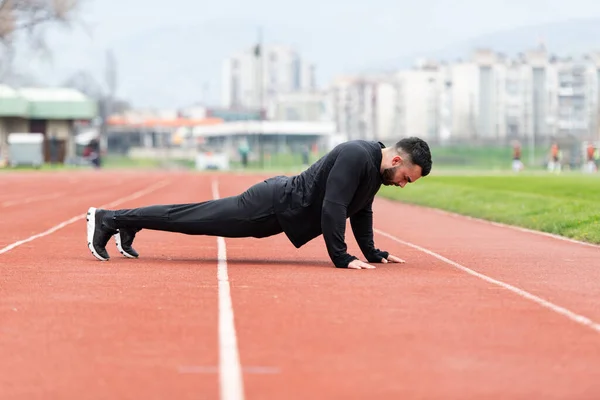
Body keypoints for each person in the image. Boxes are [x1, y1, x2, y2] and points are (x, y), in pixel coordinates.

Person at [86, 137, 432, 269]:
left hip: (276, 215)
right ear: (398, 162)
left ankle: (128, 222)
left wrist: (373, 253)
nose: (402, 185)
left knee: (194, 219)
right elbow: (334, 207)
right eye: (406, 179)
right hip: (269, 204)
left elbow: (361, 210)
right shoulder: (357, 155)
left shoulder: (376, 170)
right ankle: (109, 218)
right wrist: (342, 259)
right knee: (194, 218)